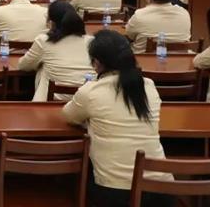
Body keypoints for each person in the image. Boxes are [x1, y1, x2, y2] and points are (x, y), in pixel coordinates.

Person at [62, 30, 173, 207]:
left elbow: (69, 116)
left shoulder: (91, 91)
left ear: (96, 63)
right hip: (162, 189)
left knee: (71, 179)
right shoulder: (149, 86)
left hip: (115, 193)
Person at [17, 1, 94, 101]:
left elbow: (24, 65)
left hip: (51, 100)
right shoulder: (91, 41)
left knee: (43, 68)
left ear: (51, 22)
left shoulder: (43, 40)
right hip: (85, 99)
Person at [125, 0, 191, 53]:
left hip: (144, 58)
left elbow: (129, 36)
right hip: (180, 59)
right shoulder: (184, 13)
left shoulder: (139, 15)